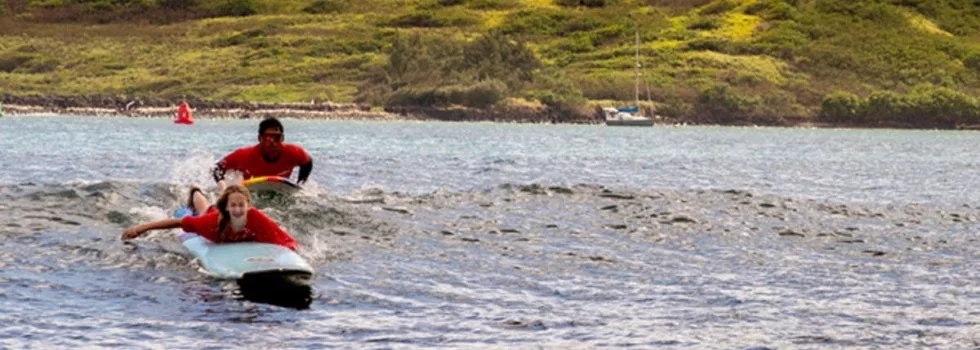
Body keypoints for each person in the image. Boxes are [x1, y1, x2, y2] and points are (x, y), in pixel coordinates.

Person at [121, 184, 298, 251]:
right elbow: (178, 222)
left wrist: (291, 253)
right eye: (233, 205)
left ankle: (221, 189)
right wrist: (140, 229)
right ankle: (195, 191)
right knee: (203, 209)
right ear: (227, 207)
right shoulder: (210, 223)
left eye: (241, 205)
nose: (237, 210)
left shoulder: (255, 217)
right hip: (212, 214)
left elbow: (283, 238)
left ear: (248, 206)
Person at [211, 117, 313, 189]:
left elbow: (308, 162)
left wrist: (300, 183)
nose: (272, 142)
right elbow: (217, 168)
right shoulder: (245, 155)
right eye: (268, 137)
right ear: (260, 138)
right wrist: (223, 188)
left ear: (282, 138)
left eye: (276, 137)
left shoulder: (294, 152)